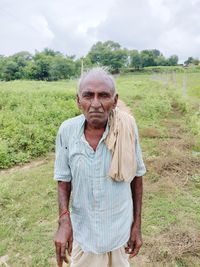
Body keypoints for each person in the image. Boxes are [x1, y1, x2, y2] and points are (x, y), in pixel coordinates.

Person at [54, 68, 146, 267]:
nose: (95, 104)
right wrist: (64, 220)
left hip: (119, 233)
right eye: (88, 95)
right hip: (84, 235)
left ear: (114, 100)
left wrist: (137, 225)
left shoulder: (127, 127)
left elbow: (137, 177)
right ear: (78, 100)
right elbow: (63, 179)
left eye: (103, 95)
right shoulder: (67, 131)